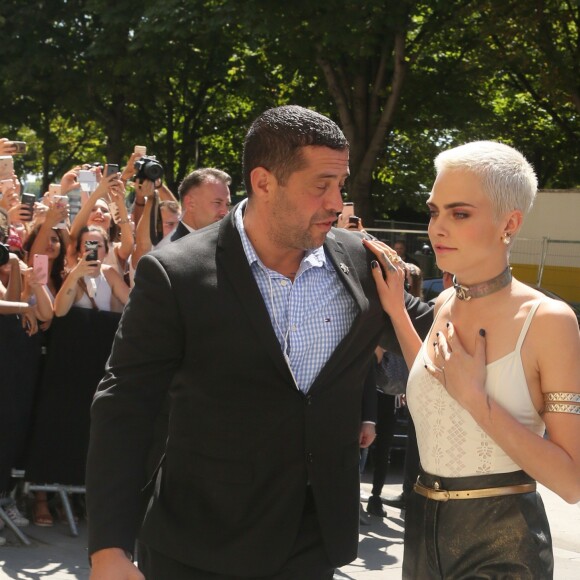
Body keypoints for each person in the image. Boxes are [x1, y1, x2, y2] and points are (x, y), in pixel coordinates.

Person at [86, 105, 433, 579]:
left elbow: (439, 331)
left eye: (340, 184)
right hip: (197, 545)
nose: (336, 202)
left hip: (313, 543)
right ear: (264, 182)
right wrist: (108, 547)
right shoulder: (177, 274)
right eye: (321, 185)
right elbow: (123, 406)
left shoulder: (362, 265)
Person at [364, 140, 580, 578]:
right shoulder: (444, 302)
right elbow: (430, 378)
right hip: (423, 533)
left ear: (509, 223)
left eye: (459, 214)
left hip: (503, 544)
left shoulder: (548, 320)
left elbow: (571, 482)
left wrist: (476, 399)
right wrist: (397, 314)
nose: (437, 228)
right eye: (434, 211)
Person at [161, 167, 232, 243]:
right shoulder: (167, 250)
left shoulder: (226, 243)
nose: (225, 213)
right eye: (217, 203)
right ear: (190, 203)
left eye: (227, 204)